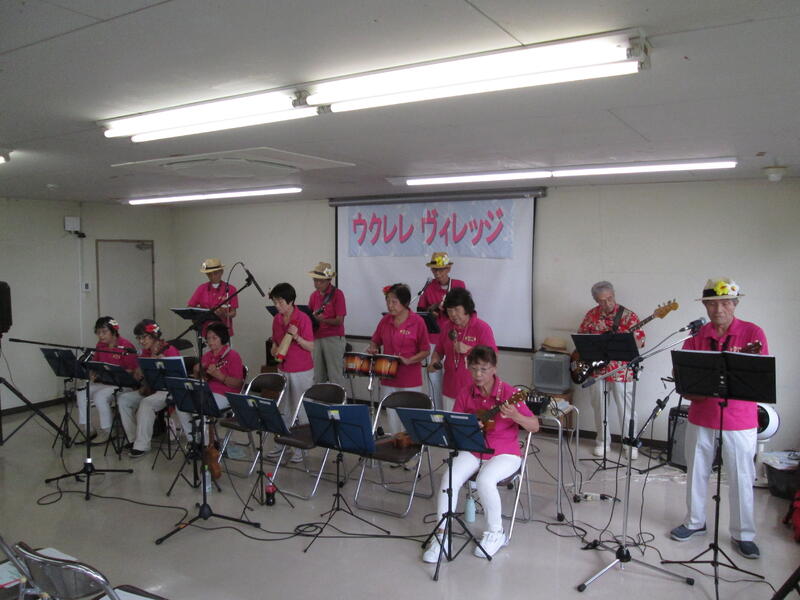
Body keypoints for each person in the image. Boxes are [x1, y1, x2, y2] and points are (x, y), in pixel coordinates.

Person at [669, 278, 768, 560]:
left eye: (725, 303)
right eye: (712, 304)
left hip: (739, 417)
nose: (718, 309)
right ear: (705, 306)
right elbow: (683, 373)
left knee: (741, 475)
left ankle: (743, 534)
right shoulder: (697, 335)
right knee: (696, 470)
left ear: (735, 304)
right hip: (701, 413)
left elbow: (759, 376)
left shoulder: (752, 332)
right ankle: (694, 521)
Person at [423, 346, 539, 563]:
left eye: (484, 369)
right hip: (474, 448)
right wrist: (467, 427)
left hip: (504, 452)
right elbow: (454, 423)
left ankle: (496, 533)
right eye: (474, 369)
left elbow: (534, 425)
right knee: (449, 477)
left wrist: (516, 416)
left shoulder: (510, 393)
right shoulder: (465, 392)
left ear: (494, 368)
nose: (478, 375)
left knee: (485, 480)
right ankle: (442, 535)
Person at [577, 281, 645, 459]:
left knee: (626, 409)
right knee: (599, 407)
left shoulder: (628, 316)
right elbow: (581, 338)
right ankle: (602, 442)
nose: (607, 303)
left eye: (610, 298)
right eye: (602, 300)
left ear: (614, 295)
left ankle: (630, 443)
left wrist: (630, 338)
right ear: (596, 301)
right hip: (597, 370)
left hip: (622, 370)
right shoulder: (591, 315)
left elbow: (640, 343)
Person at [367, 283, 430, 433]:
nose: (390, 306)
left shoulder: (417, 322)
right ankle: (395, 441)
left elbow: (426, 351)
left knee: (409, 419)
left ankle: (411, 446)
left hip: (410, 378)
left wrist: (409, 360)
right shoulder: (385, 320)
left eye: (394, 302)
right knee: (392, 417)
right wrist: (373, 348)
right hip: (388, 376)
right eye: (388, 301)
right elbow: (375, 340)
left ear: (405, 302)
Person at [117, 319, 181, 458]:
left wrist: (163, 364)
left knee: (146, 403)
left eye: (144, 337)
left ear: (154, 335)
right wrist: (139, 374)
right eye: (138, 338)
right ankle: (134, 439)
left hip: (167, 390)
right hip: (150, 389)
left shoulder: (169, 349)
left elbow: (178, 376)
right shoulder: (145, 353)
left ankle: (142, 445)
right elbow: (140, 377)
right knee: (124, 399)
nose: (141, 341)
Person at [427, 288, 496, 411]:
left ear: (467, 308)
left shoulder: (482, 328)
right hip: (450, 389)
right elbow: (439, 351)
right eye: (449, 310)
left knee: (474, 423)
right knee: (450, 422)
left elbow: (493, 357)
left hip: (476, 391)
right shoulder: (446, 327)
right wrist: (434, 362)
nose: (453, 314)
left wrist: (469, 349)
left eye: (456, 309)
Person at [175, 322, 244, 441]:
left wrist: (220, 376)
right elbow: (200, 380)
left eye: (214, 338)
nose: (210, 341)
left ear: (222, 338)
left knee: (200, 407)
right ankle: (194, 441)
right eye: (208, 338)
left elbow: (238, 383)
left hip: (225, 395)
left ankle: (206, 444)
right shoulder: (207, 355)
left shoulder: (233, 355)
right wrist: (196, 371)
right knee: (181, 404)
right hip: (206, 392)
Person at [269, 283, 314, 462]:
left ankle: (301, 448)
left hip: (301, 370)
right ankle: (282, 444)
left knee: (300, 409)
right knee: (283, 408)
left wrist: (297, 337)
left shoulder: (303, 319)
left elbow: (311, 346)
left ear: (291, 301)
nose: (277, 306)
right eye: (275, 302)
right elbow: (275, 341)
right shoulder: (277, 319)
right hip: (283, 369)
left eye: (280, 302)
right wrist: (274, 349)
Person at [77, 317, 137, 443]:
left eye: (104, 332)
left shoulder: (126, 346)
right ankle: (87, 429)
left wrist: (114, 372)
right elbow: (95, 364)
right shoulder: (100, 345)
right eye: (98, 332)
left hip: (122, 384)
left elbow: (132, 371)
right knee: (81, 392)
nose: (100, 335)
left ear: (114, 331)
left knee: (100, 396)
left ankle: (108, 430)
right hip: (105, 382)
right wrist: (93, 373)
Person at [418, 252, 465, 409]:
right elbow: (421, 311)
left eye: (441, 269)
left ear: (448, 269)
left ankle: (453, 412)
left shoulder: (458, 284)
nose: (437, 273)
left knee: (453, 377)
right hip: (433, 339)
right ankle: (436, 414)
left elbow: (465, 309)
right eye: (435, 270)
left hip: (453, 338)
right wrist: (432, 310)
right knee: (433, 378)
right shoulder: (429, 287)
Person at [307, 262, 347, 389]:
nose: (317, 284)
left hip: (333, 338)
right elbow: (309, 316)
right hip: (317, 338)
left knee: (335, 375)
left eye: (321, 281)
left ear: (329, 280)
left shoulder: (338, 294)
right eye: (315, 280)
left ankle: (338, 400)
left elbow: (339, 320)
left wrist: (323, 320)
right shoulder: (313, 296)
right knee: (318, 376)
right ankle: (319, 400)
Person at [187, 258, 238, 336]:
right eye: (209, 274)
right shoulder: (201, 288)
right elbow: (190, 307)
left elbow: (233, 313)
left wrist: (224, 314)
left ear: (221, 272)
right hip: (206, 331)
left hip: (223, 331)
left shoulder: (231, 289)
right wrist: (200, 313)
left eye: (215, 273)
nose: (212, 276)